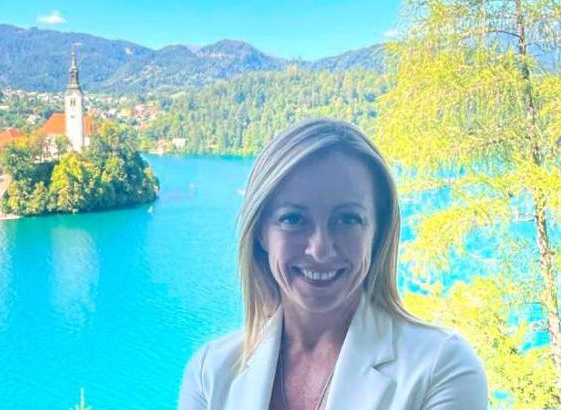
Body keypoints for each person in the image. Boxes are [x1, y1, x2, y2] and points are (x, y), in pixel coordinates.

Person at [178, 119, 487, 410]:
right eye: (293, 219)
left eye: (347, 219)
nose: (320, 249)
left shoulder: (442, 368)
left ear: (377, 232)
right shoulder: (210, 374)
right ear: (260, 232)